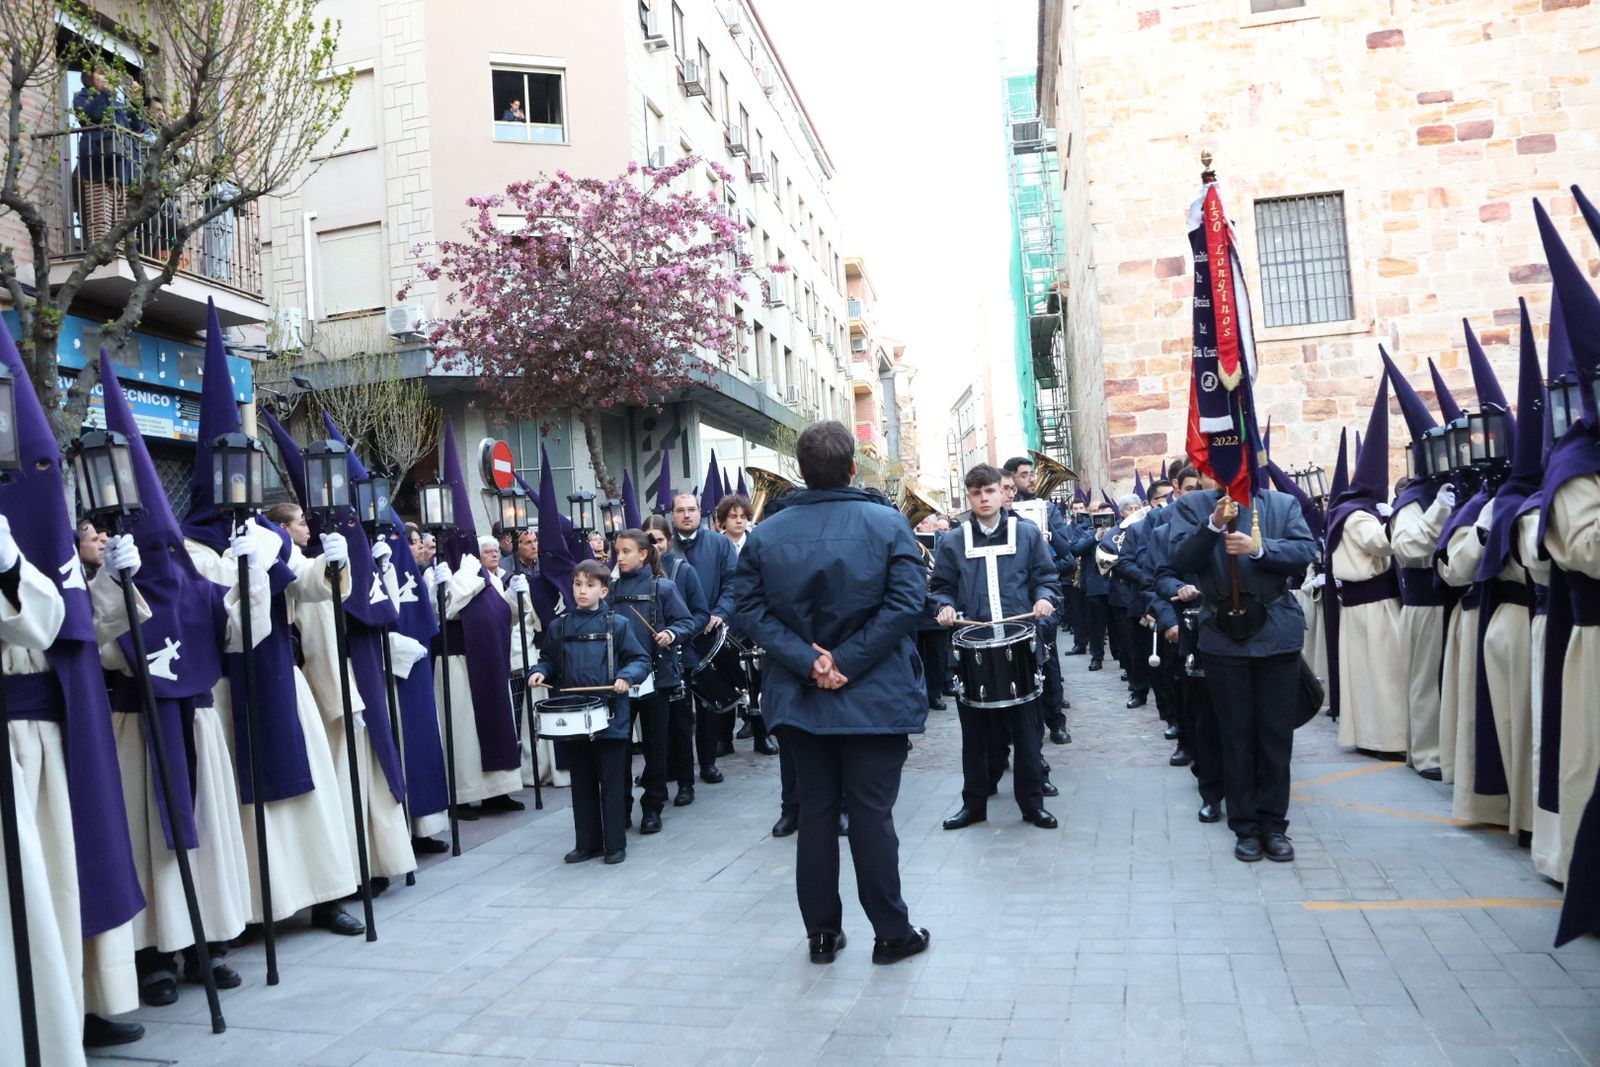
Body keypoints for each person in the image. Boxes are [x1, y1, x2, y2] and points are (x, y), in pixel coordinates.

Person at [731, 420, 930, 966]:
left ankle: (821, 933)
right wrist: (841, 660)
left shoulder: (767, 533)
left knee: (816, 814)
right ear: (851, 469)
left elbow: (747, 610)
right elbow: (908, 605)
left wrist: (810, 660)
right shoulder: (888, 524)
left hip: (801, 698)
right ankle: (891, 933)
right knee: (870, 815)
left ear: (801, 470)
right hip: (873, 695)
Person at [1168, 475, 1318, 862]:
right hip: (1223, 637)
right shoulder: (1193, 506)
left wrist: (1259, 548)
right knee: (1234, 738)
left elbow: (1306, 550)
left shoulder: (1281, 504)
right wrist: (1214, 525)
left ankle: (1274, 824)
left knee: (1274, 738)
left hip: (1275, 633)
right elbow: (1181, 560)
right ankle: (1245, 827)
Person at [931, 463, 1062, 832]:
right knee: (974, 738)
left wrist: (1044, 601)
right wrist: (943, 606)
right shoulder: (954, 540)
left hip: (1020, 647)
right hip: (973, 651)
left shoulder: (1027, 533)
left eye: (989, 491)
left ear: (1003, 493)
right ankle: (973, 805)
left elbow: (1046, 579)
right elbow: (940, 586)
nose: (984, 498)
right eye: (976, 493)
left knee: (1027, 734)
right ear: (969, 497)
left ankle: (1032, 805)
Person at [528, 560, 650, 864]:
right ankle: (587, 843)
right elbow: (549, 660)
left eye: (590, 585)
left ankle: (615, 844)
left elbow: (640, 659)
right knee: (581, 783)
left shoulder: (617, 624)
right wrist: (539, 671)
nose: (582, 591)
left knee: (611, 783)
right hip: (574, 716)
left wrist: (626, 677)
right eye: (578, 584)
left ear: (604, 590)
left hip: (609, 713)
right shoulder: (559, 626)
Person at [610, 530, 695, 834]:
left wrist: (669, 634)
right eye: (617, 551)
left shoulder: (664, 588)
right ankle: (619, 807)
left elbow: (686, 621)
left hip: (656, 679)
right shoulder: (610, 588)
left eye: (625, 552)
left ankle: (653, 806)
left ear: (643, 554)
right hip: (620, 680)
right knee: (618, 746)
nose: (619, 557)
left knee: (656, 747)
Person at [642, 515, 709, 806]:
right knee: (653, 727)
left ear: (667, 540)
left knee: (681, 723)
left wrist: (675, 633)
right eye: (647, 541)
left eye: (657, 539)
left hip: (678, 657)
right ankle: (657, 775)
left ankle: (685, 782)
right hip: (646, 661)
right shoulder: (637, 574)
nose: (653, 545)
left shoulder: (682, 570)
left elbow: (700, 613)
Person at [670, 492, 737, 774]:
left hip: (708, 633)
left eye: (692, 509)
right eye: (681, 510)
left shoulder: (720, 544)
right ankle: (675, 766)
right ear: (672, 515)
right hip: (673, 637)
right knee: (676, 705)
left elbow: (734, 584)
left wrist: (719, 613)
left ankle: (708, 763)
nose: (687, 515)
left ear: (701, 513)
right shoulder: (664, 547)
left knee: (708, 701)